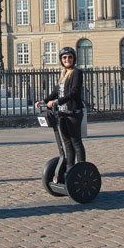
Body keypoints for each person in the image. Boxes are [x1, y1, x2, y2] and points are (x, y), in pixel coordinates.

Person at [36, 47, 85, 181]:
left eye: (69, 57)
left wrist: (57, 101)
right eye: (64, 58)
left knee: (76, 141)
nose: (67, 59)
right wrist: (44, 100)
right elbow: (56, 91)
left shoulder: (76, 73)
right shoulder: (63, 74)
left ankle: (82, 169)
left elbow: (74, 92)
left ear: (73, 58)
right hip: (63, 113)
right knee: (67, 143)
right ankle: (70, 169)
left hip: (74, 113)